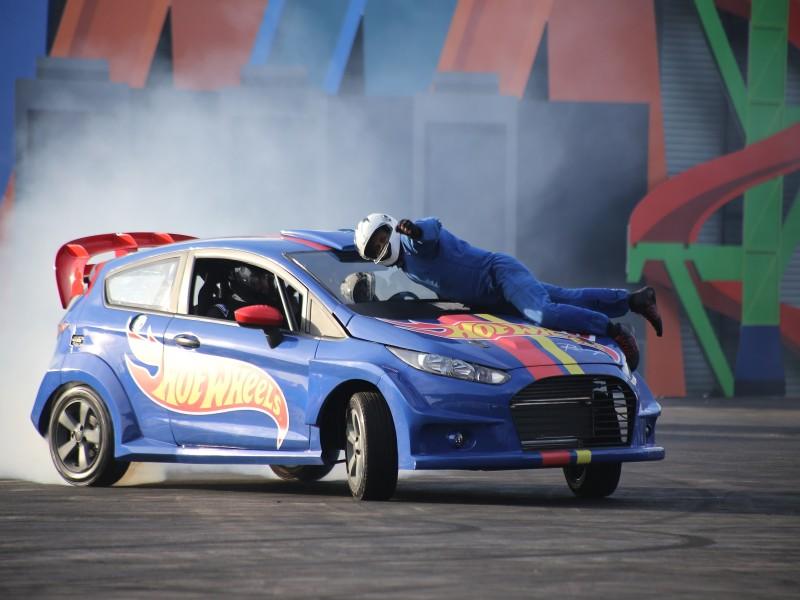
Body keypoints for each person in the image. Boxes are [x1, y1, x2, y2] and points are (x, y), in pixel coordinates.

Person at [353, 214, 663, 371]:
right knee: (564, 298)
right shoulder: (405, 266)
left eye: (381, 238)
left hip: (498, 274)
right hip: (489, 296)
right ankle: (635, 300)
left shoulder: (410, 240)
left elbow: (430, 229)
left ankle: (615, 330)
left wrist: (414, 230)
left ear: (391, 227)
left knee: (544, 314)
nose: (381, 247)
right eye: (374, 248)